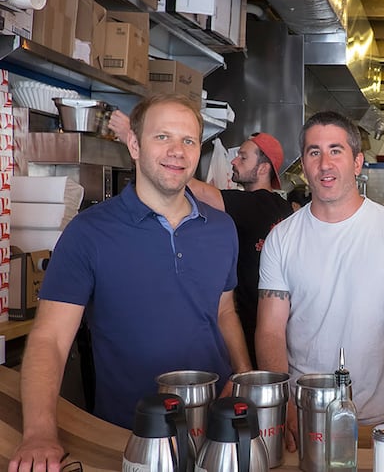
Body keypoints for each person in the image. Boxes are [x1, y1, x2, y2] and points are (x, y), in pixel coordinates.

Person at [8, 94, 252, 472]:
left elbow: (223, 312)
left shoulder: (221, 229)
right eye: (162, 137)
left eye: (188, 141)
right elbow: (50, 339)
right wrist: (39, 433)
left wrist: (243, 382)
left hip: (215, 436)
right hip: (124, 437)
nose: (177, 151)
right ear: (135, 144)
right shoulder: (88, 233)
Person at [255, 111, 384, 461]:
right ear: (303, 164)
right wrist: (287, 405)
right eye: (313, 152)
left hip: (376, 419)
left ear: (357, 162)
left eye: (336, 150)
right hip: (303, 420)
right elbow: (270, 331)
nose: (324, 163)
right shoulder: (282, 239)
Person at [110, 110, 292, 365]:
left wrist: (138, 141)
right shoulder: (281, 206)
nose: (233, 162)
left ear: (263, 168)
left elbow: (198, 191)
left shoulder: (253, 204)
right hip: (264, 322)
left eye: (242, 156)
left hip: (247, 326)